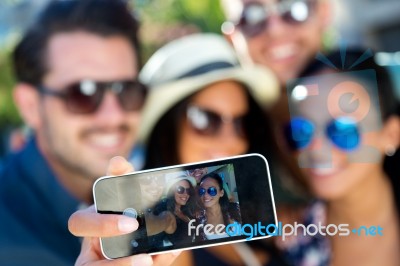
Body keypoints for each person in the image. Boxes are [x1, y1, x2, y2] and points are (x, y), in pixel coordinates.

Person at [0, 1, 175, 265]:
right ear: (30, 106)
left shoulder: (157, 198)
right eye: (83, 93)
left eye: (126, 91)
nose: (113, 116)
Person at [136, 33, 287, 265]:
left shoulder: (245, 217)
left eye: (240, 122)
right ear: (167, 131)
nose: (231, 140)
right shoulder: (164, 245)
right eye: (205, 120)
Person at [280, 48, 400, 265]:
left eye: (342, 129)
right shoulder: (287, 244)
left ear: (391, 134)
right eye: (301, 131)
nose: (315, 149)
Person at [198, 173, 242, 240]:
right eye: (202, 191)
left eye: (212, 190)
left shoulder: (237, 208)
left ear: (221, 193)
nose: (205, 195)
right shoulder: (198, 221)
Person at [165, 173, 200, 245]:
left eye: (188, 190)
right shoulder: (166, 215)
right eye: (180, 189)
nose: (186, 194)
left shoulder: (189, 210)